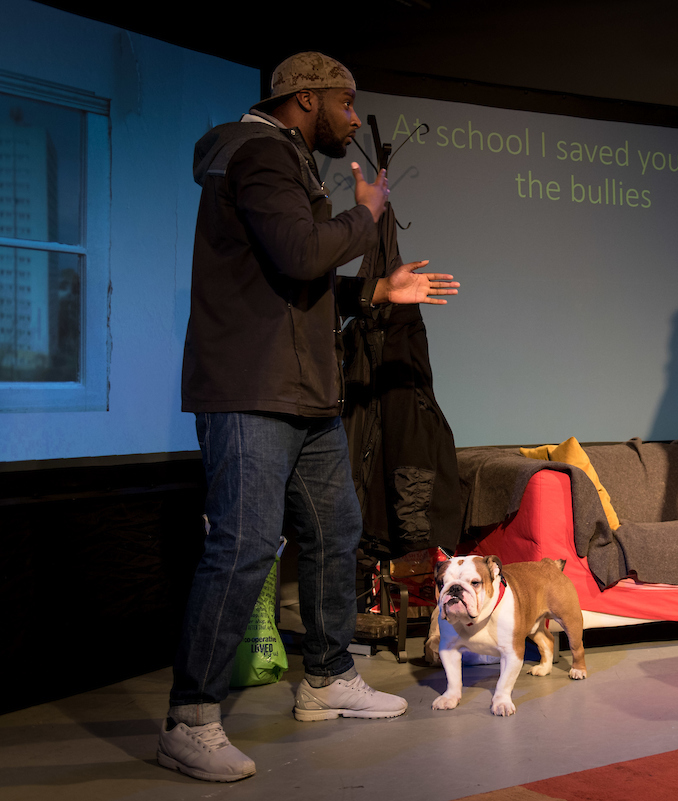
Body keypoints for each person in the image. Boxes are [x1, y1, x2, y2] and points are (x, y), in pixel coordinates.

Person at [159, 52, 459, 783]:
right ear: (305, 99)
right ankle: (190, 718)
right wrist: (367, 214)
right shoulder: (258, 152)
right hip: (251, 390)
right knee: (244, 545)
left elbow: (300, 288)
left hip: (301, 391)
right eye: (347, 103)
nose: (354, 118)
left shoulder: (282, 158)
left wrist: (378, 292)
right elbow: (300, 256)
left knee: (337, 527)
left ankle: (326, 678)